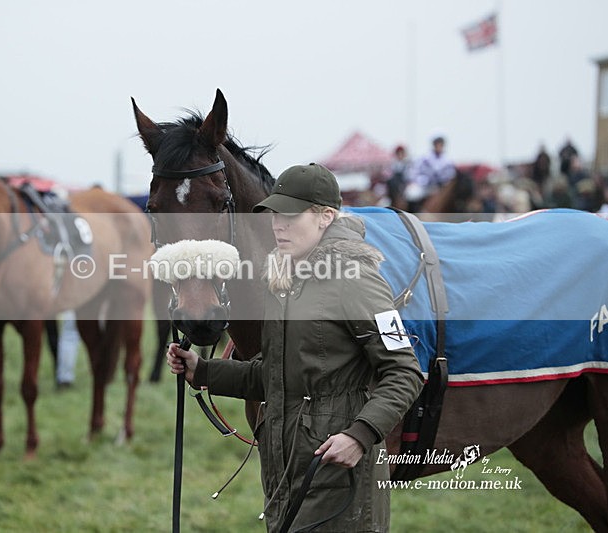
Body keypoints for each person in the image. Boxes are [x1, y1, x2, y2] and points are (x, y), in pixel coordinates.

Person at [167, 163, 423, 532]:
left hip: (336, 470)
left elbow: (404, 371)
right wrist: (202, 371)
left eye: (290, 215)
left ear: (325, 217)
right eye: (273, 215)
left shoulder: (356, 277)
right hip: (284, 468)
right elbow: (273, 374)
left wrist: (359, 436)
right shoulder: (283, 279)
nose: (277, 225)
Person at [405, 135, 456, 212]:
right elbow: (414, 172)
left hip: (440, 188)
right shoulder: (424, 158)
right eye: (437, 143)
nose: (439, 146)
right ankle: (412, 215)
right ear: (434, 144)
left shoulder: (448, 161)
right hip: (424, 186)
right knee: (411, 194)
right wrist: (421, 180)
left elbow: (451, 175)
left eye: (440, 144)